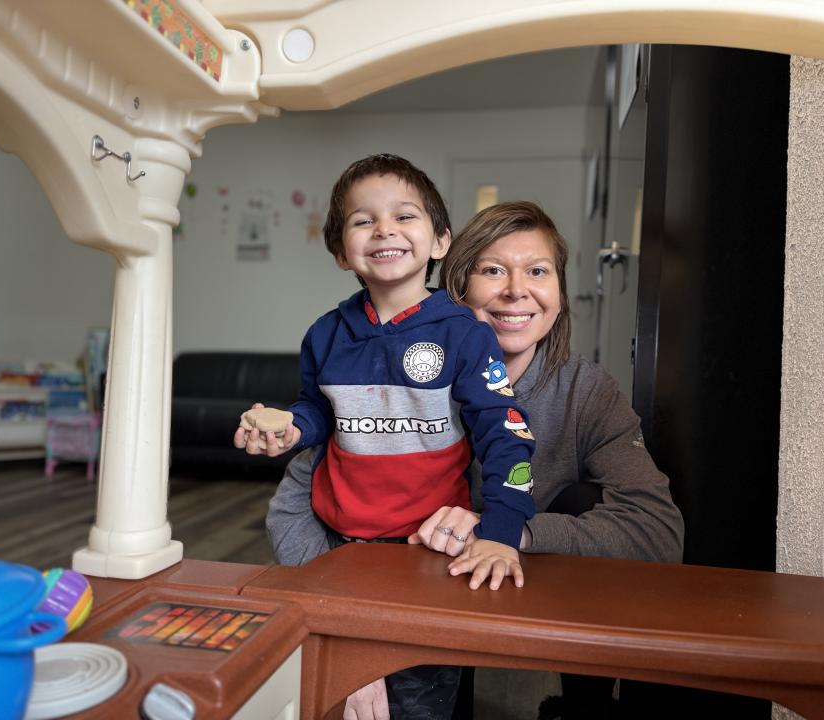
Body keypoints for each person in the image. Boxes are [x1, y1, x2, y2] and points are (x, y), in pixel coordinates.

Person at [262, 200, 685, 720]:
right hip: (402, 593)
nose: (515, 290)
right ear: (455, 290)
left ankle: (584, 703)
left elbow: (659, 532)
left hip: (525, 583)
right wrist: (346, 637)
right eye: (491, 270)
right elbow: (292, 508)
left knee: (584, 501)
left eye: (537, 271)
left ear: (559, 292)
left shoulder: (585, 391)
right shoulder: (388, 377)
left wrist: (510, 532)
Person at [236, 155, 538, 720]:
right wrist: (291, 426)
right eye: (362, 220)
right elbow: (320, 412)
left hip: (427, 554)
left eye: (404, 215)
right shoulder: (325, 334)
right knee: (336, 695)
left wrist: (501, 531)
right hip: (339, 548)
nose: (384, 230)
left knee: (418, 697)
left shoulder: (465, 334)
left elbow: (506, 435)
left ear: (441, 241)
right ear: (338, 250)